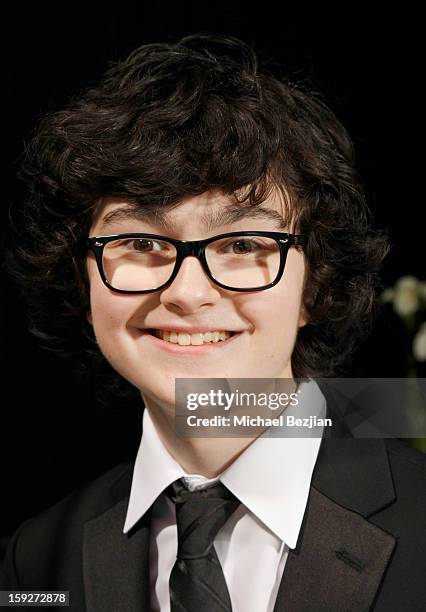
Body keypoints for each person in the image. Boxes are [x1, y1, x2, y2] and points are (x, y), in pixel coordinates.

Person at [1, 32, 425, 612]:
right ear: (84, 281)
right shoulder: (39, 558)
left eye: (244, 241)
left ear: (317, 282)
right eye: (141, 241)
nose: (188, 292)